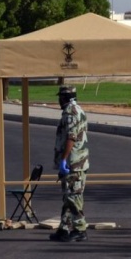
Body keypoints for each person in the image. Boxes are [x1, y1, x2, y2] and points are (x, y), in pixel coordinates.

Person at [49, 85, 90, 242]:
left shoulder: (70, 113)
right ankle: (64, 229)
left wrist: (64, 159)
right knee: (68, 197)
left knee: (73, 197)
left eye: (60, 97)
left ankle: (80, 229)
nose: (58, 100)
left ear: (65, 98)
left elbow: (71, 137)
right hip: (76, 162)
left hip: (74, 162)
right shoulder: (77, 110)